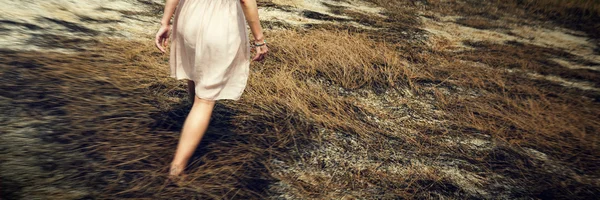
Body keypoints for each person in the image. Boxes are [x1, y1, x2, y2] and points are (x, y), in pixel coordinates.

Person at [154, 0, 268, 179]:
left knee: (194, 74)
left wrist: (165, 22)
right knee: (205, 100)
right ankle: (177, 168)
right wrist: (259, 40)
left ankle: (194, 126)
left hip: (188, 19)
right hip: (219, 26)